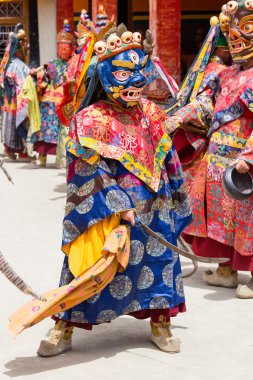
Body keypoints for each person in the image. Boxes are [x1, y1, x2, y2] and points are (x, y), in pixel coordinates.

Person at [9, 23, 192, 356]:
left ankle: (160, 321)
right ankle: (63, 326)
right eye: (124, 74)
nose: (136, 81)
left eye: (140, 72)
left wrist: (176, 196)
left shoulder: (150, 112)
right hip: (109, 211)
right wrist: (120, 206)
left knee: (160, 264)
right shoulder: (90, 118)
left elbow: (167, 157)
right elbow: (86, 172)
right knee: (90, 267)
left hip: (155, 207)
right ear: (106, 75)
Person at [167, 1, 253, 298]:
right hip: (216, 157)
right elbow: (205, 105)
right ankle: (226, 269)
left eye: (246, 31)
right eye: (231, 34)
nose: (237, 41)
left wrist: (249, 157)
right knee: (217, 215)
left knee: (247, 219)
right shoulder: (225, 75)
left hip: (244, 159)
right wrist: (179, 116)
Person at [31, 20, 75, 168]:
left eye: (66, 48)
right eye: (60, 48)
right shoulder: (53, 64)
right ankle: (42, 155)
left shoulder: (74, 63)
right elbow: (44, 77)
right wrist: (36, 75)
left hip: (67, 99)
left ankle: (63, 158)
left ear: (71, 49)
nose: (63, 51)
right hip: (52, 99)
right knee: (46, 115)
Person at [0, 24, 34, 161]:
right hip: (15, 99)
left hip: (10, 99)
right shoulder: (17, 65)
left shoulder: (11, 62)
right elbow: (23, 82)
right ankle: (19, 150)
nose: (27, 47)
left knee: (10, 123)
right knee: (17, 123)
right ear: (18, 48)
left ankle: (10, 149)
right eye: (24, 44)